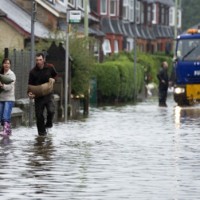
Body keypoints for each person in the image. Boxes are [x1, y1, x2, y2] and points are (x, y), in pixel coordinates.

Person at [27, 52, 58, 136]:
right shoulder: (32, 72)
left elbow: (56, 76)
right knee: (39, 115)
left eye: (40, 60)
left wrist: (54, 79)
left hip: (48, 94)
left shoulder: (50, 67)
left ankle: (48, 124)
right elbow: (30, 86)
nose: (38, 62)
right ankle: (41, 135)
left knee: (51, 111)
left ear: (44, 60)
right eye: (37, 60)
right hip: (38, 96)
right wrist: (29, 93)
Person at [0, 58, 16, 136]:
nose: (6, 65)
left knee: (6, 115)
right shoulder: (1, 74)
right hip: (1, 98)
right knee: (1, 115)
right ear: (3, 64)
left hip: (9, 98)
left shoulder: (11, 74)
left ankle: (6, 131)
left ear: (10, 65)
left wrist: (3, 86)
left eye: (8, 63)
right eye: (5, 63)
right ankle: (7, 130)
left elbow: (10, 87)